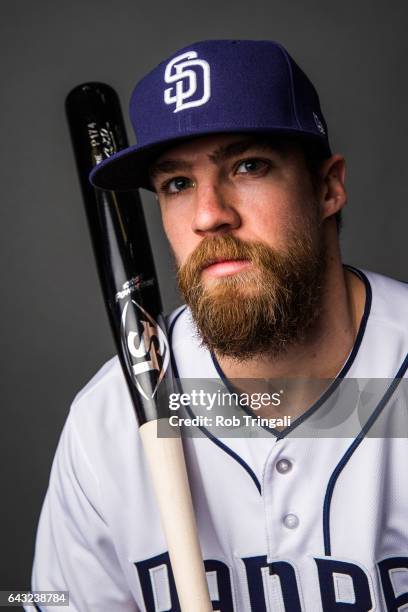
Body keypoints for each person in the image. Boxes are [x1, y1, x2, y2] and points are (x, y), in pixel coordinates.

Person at [31, 40, 408, 611]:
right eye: (176, 184)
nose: (209, 214)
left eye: (248, 166)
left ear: (328, 187)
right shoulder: (107, 422)